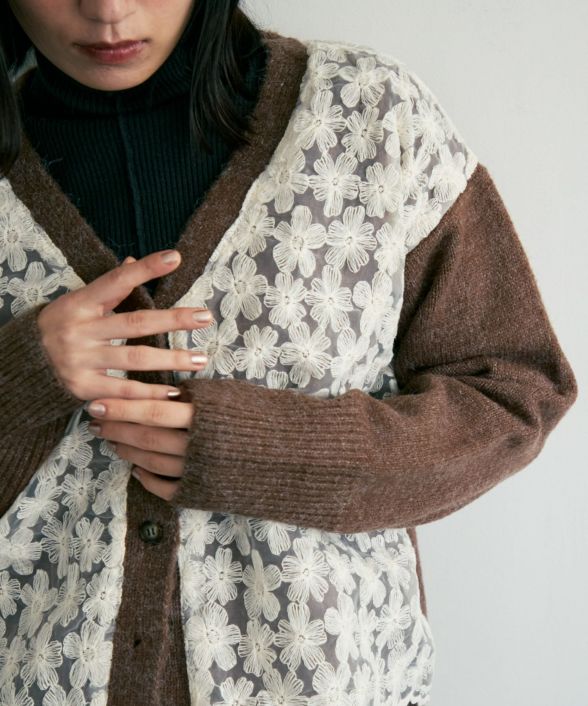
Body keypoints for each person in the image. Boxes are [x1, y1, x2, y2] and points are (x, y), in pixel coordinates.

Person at [0, 1, 578, 705]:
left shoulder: (367, 117)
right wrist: (20, 376)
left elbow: (514, 390)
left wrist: (278, 455)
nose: (109, 10)